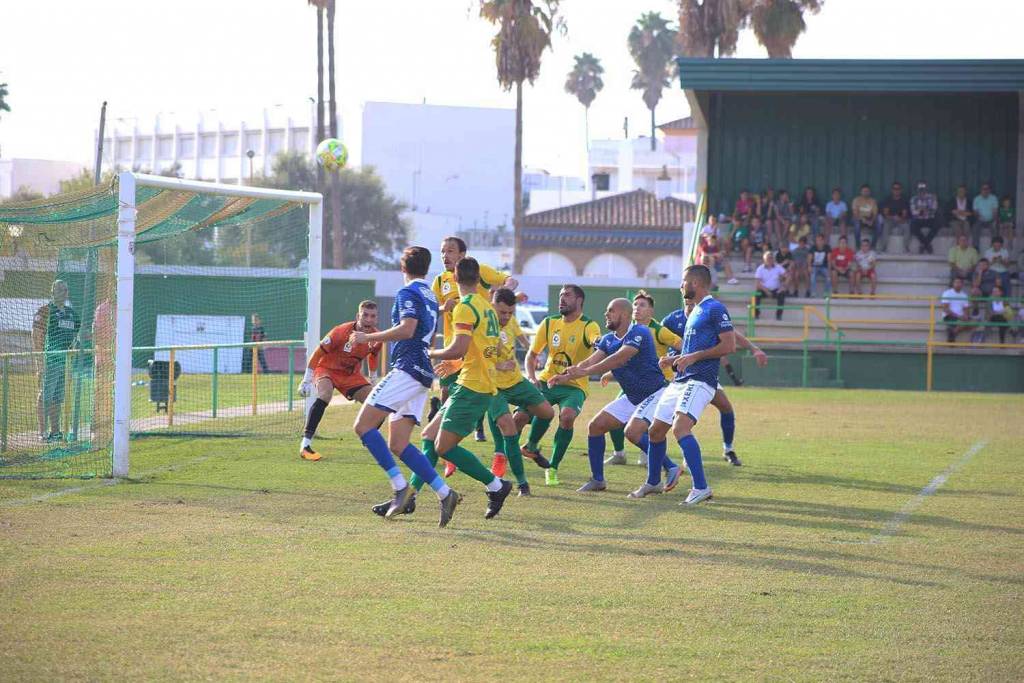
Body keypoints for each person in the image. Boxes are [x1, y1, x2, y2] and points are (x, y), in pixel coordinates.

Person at [350, 246, 460, 527]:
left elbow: (408, 329)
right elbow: (428, 333)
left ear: (402, 268)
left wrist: (367, 338)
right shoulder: (430, 295)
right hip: (422, 372)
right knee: (398, 443)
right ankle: (445, 493)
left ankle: (400, 488)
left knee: (363, 426)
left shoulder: (408, 293)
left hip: (408, 369)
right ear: (426, 267)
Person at [409, 257, 514, 522]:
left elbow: (458, 347)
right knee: (429, 435)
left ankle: (496, 486)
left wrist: (428, 351)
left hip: (473, 386)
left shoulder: (465, 307)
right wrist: (460, 361)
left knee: (444, 447)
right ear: (479, 279)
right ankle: (409, 495)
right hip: (473, 381)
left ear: (454, 279)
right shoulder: (487, 307)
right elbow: (489, 347)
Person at [548, 298, 682, 496]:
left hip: (655, 393)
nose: (606, 314)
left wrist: (583, 372)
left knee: (633, 433)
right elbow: (589, 361)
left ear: (625, 315)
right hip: (633, 396)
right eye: (606, 310)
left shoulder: (640, 332)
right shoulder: (608, 339)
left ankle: (669, 467)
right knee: (595, 426)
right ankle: (598, 480)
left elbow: (619, 358)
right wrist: (568, 374)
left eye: (611, 310)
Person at [647, 265, 736, 505]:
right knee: (655, 431)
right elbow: (690, 352)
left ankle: (701, 487)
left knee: (680, 428)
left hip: (701, 380)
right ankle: (653, 482)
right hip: (681, 380)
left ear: (695, 283)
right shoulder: (694, 312)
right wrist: (673, 359)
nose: (681, 285)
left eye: (684, 281)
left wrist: (693, 358)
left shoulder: (714, 308)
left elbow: (729, 345)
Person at [430, 236, 517, 447]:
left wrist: (498, 296)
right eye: (442, 251)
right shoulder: (441, 281)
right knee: (447, 393)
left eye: (450, 251)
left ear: (462, 255)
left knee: (486, 396)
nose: (445, 255)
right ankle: (447, 442)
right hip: (454, 348)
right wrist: (444, 308)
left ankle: (492, 443)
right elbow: (432, 311)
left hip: (479, 348)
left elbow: (510, 281)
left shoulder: (478, 271)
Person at [518, 285, 602, 486]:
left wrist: (599, 342)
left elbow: (596, 342)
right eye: (560, 295)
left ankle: (552, 467)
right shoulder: (549, 323)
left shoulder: (589, 325)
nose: (562, 299)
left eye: (567, 295)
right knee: (518, 417)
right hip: (548, 381)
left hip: (575, 386)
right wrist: (531, 377)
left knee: (567, 416)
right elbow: (532, 355)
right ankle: (524, 449)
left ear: (579, 300)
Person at [483, 287, 555, 496]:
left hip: (516, 381)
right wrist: (498, 366)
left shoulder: (511, 320)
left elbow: (522, 338)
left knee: (547, 413)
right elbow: (476, 358)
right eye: (502, 312)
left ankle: (529, 446)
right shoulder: (484, 326)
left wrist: (535, 353)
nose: (506, 317)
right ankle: (522, 484)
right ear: (492, 306)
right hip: (494, 387)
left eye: (510, 313)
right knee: (509, 430)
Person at [297, 300, 381, 461]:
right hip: (326, 369)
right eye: (365, 315)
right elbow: (317, 354)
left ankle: (368, 440)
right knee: (325, 395)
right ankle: (305, 445)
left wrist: (373, 381)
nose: (369, 319)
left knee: (378, 401)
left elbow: (373, 357)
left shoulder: (376, 337)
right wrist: (306, 380)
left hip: (350, 376)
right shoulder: (340, 332)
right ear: (358, 316)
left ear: (376, 318)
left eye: (373, 316)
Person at [33, 280, 80, 442]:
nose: (62, 292)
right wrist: (40, 363)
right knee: (45, 396)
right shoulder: (45, 311)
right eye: (58, 289)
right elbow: (37, 337)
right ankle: (42, 432)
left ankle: (55, 431)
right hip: (49, 360)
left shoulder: (72, 313)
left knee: (57, 398)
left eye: (65, 289)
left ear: (68, 292)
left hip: (64, 363)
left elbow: (77, 335)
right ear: (52, 292)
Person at [908, 181, 940, 254]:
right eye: (920, 190)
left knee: (938, 223)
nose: (922, 191)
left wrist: (921, 210)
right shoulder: (914, 199)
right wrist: (925, 210)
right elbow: (913, 212)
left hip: (929, 219)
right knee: (912, 225)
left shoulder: (932, 197)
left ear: (926, 189)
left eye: (923, 189)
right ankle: (926, 244)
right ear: (917, 190)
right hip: (919, 219)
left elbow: (934, 209)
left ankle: (924, 244)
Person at [754, 251, 786, 320]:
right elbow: (757, 283)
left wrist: (783, 286)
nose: (770, 259)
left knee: (782, 294)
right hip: (764, 289)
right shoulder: (760, 268)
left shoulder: (778, 267)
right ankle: (756, 314)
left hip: (776, 289)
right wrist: (766, 291)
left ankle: (779, 315)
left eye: (771, 258)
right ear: (764, 259)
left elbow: (788, 276)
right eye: (768, 258)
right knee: (756, 294)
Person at [879, 181, 910, 252]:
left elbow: (904, 214)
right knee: (886, 226)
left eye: (898, 189)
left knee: (907, 227)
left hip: (901, 219)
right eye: (894, 189)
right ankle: (884, 247)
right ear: (892, 190)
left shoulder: (904, 200)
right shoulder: (888, 199)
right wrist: (893, 217)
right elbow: (885, 214)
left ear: (901, 190)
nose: (896, 190)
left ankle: (906, 247)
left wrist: (900, 218)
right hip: (890, 219)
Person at [940, 277, 970, 343]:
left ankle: (952, 333)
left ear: (962, 284)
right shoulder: (947, 293)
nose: (958, 284)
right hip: (949, 315)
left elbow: (966, 308)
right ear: (953, 284)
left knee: (975, 321)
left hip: (960, 317)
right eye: (956, 282)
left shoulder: (964, 295)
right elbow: (945, 309)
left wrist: (966, 315)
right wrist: (958, 316)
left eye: (959, 282)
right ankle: (951, 337)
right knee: (959, 322)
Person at [972, 183, 999, 250]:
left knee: (995, 229)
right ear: (981, 190)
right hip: (980, 219)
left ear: (989, 190)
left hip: (991, 220)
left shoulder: (993, 198)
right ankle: (976, 247)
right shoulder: (977, 199)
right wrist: (979, 216)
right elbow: (975, 212)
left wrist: (994, 220)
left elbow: (995, 211)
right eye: (983, 189)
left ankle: (994, 247)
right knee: (975, 229)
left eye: (987, 189)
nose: (985, 190)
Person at [808, 233, 832, 298]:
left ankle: (826, 294)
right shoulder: (813, 247)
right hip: (814, 266)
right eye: (817, 240)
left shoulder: (827, 247)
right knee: (812, 277)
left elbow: (829, 260)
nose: (819, 242)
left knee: (829, 277)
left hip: (824, 267)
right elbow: (809, 258)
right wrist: (809, 266)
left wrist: (829, 270)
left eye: (820, 240)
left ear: (823, 241)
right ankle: (813, 293)